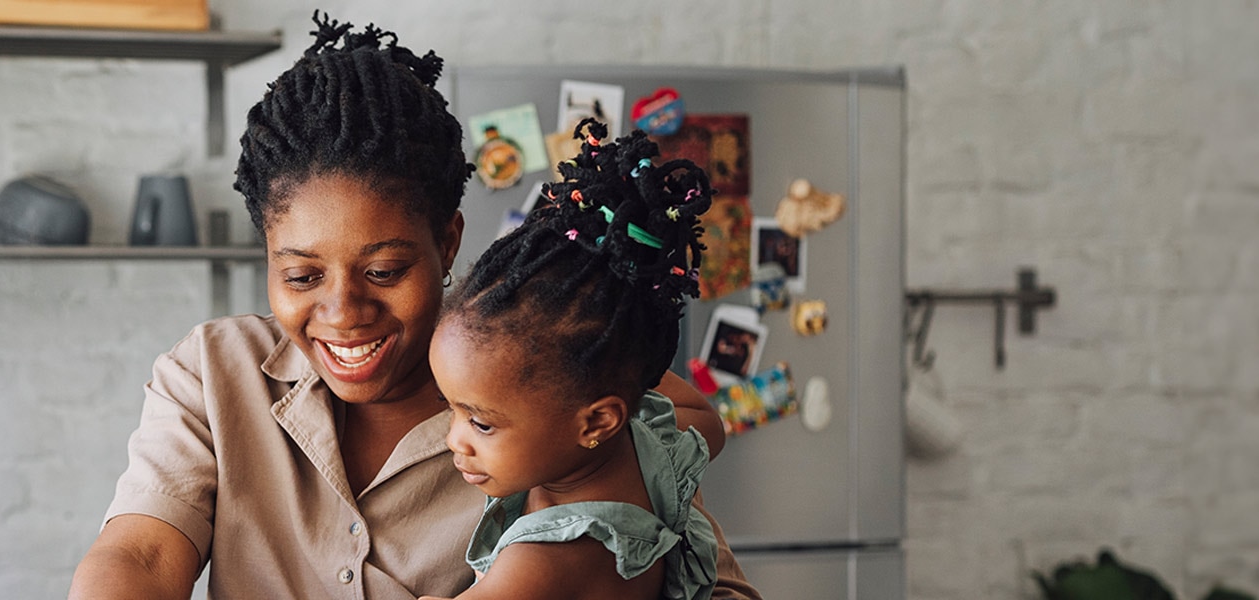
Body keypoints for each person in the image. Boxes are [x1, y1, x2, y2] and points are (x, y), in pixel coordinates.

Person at [66, 13, 762, 600]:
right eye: (302, 276)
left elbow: (701, 563)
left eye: (384, 269)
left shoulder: (553, 377)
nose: (343, 311)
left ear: (447, 240)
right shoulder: (213, 374)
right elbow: (142, 557)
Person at [420, 121, 721, 600]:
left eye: (480, 423)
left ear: (598, 419)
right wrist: (612, 354)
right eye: (451, 407)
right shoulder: (655, 447)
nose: (453, 438)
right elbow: (708, 420)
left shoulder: (545, 562)